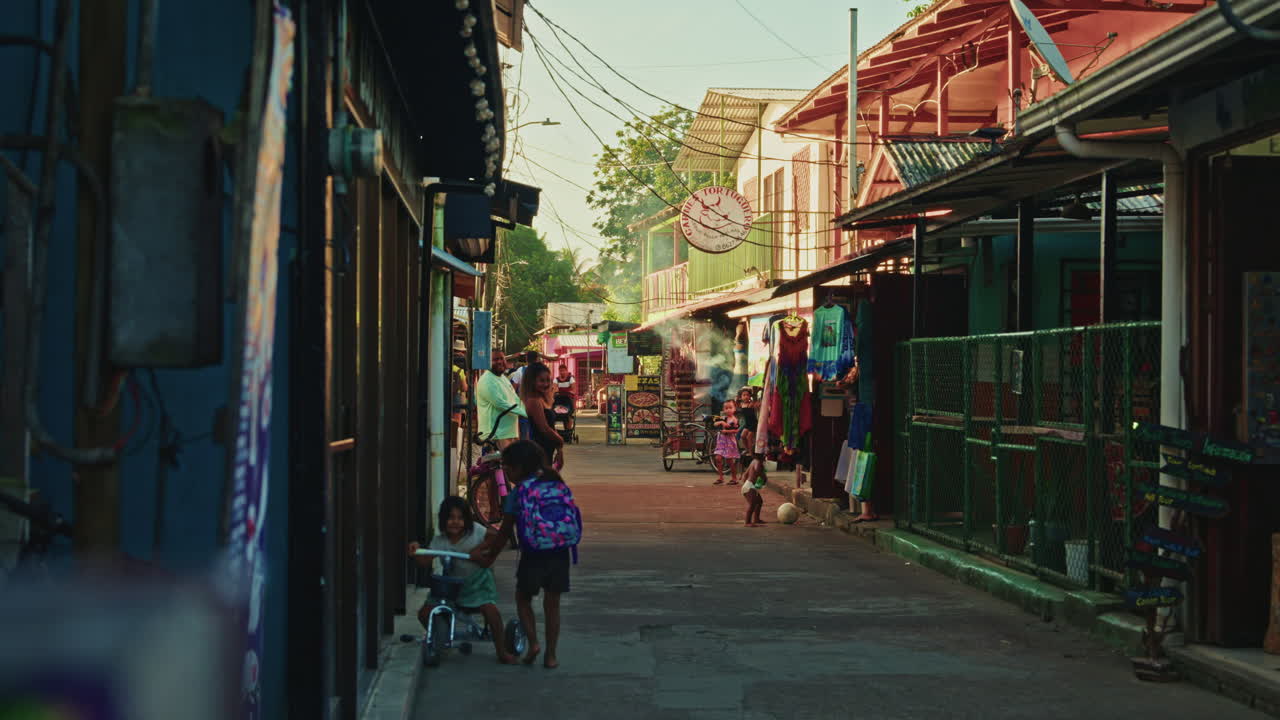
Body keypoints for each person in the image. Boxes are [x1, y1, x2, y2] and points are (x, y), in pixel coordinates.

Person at [479, 440, 575, 669]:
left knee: (523, 599)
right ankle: (551, 656)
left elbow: (505, 531)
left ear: (520, 468)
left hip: (533, 554)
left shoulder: (519, 492)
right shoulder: (554, 481)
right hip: (560, 552)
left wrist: (490, 555)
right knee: (553, 605)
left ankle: (533, 643)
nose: (508, 473)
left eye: (509, 468)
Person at [407, 497, 517, 664]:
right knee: (424, 613)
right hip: (450, 587)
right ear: (443, 520)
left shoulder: (475, 532)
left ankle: (502, 651)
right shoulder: (440, 541)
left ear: (467, 519)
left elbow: (494, 536)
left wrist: (478, 550)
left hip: (477, 584)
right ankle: (439, 636)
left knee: (491, 611)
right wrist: (416, 552)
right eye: (451, 518)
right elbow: (425, 560)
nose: (455, 522)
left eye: (460, 518)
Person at [475, 345, 527, 449]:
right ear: (488, 362)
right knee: (503, 464)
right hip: (495, 435)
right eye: (495, 359)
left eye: (502, 358)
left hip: (509, 432)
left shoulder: (503, 378)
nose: (499, 362)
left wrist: (527, 409)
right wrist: (526, 413)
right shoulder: (487, 380)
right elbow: (500, 403)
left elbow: (515, 399)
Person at [520, 363, 564, 469]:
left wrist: (559, 449)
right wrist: (561, 440)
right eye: (541, 380)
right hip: (538, 452)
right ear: (532, 381)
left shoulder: (541, 399)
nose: (546, 384)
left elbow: (551, 426)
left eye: (548, 380)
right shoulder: (533, 401)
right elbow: (544, 428)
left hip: (546, 451)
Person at [712, 399, 740, 486]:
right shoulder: (723, 418)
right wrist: (722, 422)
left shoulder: (735, 420)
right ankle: (721, 477)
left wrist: (727, 432)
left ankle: (734, 478)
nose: (728, 409)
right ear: (723, 409)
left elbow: (736, 430)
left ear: (734, 409)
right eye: (726, 408)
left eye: (730, 407)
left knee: (729, 461)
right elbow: (715, 424)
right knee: (718, 458)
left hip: (729, 442)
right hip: (721, 441)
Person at [554, 364, 576, 433]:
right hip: (558, 400)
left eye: (563, 371)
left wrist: (561, 390)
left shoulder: (570, 379)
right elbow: (554, 389)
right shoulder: (556, 379)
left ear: (566, 371)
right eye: (560, 371)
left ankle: (568, 431)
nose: (562, 372)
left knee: (568, 415)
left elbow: (574, 390)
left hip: (568, 400)